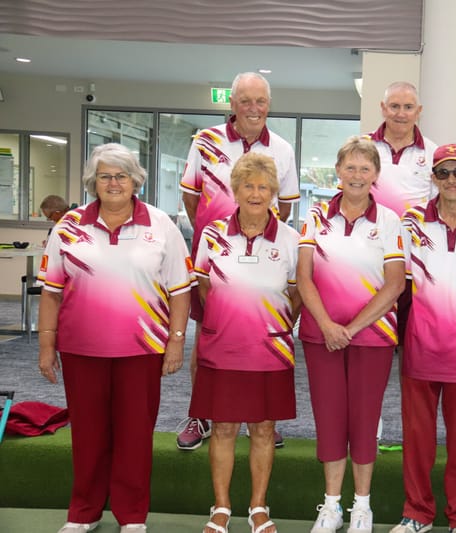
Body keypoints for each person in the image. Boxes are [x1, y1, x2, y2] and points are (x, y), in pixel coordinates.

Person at [37, 143, 194, 533]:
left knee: (135, 435)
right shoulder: (68, 226)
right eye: (105, 176)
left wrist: (176, 341)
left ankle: (132, 516)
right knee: (88, 434)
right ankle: (83, 513)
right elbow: (51, 291)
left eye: (121, 176)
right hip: (81, 349)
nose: (113, 183)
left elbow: (180, 290)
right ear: (93, 182)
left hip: (141, 350)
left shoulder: (161, 226)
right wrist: (45, 345)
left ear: (135, 181)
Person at [177, 71, 299, 451]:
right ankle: (201, 416)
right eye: (245, 100)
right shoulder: (205, 141)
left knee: (260, 336)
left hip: (263, 255)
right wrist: (219, 230)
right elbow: (192, 199)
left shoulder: (282, 148)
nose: (253, 108)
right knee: (208, 336)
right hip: (215, 257)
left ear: (269, 104)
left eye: (260, 101)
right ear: (231, 104)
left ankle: (260, 419)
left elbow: (287, 207)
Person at [297, 136, 405, 533]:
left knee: (363, 421)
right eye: (350, 167)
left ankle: (362, 506)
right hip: (320, 336)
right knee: (329, 420)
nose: (357, 175)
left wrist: (352, 328)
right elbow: (303, 277)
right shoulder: (314, 216)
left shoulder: (390, 221)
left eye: (365, 168)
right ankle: (330, 506)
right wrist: (327, 326)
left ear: (375, 175)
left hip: (371, 338)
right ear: (338, 172)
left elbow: (394, 284)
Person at [189, 152, 300, 533]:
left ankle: (258, 508)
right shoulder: (211, 234)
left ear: (274, 192)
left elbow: (298, 292)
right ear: (234, 190)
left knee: (264, 428)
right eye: (248, 185)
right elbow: (203, 285)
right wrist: (228, 319)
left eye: (264, 186)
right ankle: (220, 507)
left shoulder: (291, 239)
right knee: (222, 428)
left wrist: (272, 323)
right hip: (222, 349)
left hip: (269, 350)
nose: (256, 193)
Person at [390, 144, 456, 533]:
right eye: (443, 173)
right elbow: (397, 282)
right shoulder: (411, 221)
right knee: (417, 437)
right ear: (433, 178)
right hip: (419, 346)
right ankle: (417, 512)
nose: (451, 180)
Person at [367, 81, 438, 217]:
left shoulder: (433, 153)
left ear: (418, 111)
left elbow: (438, 204)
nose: (401, 114)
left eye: (408, 107)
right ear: (383, 108)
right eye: (394, 106)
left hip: (414, 235)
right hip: (369, 235)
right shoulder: (362, 146)